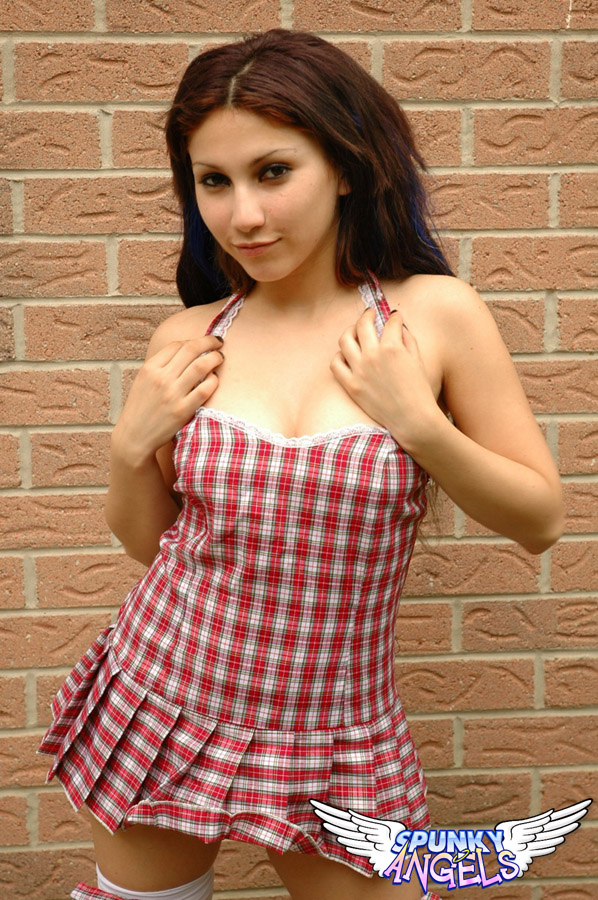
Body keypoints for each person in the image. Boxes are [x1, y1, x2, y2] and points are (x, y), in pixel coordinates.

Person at [38, 28, 564, 900]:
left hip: (334, 730)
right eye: (214, 181)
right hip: (166, 693)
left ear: (347, 167)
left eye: (273, 172)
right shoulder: (191, 336)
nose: (243, 214)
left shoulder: (434, 317)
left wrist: (418, 424)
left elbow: (540, 520)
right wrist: (130, 446)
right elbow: (151, 544)